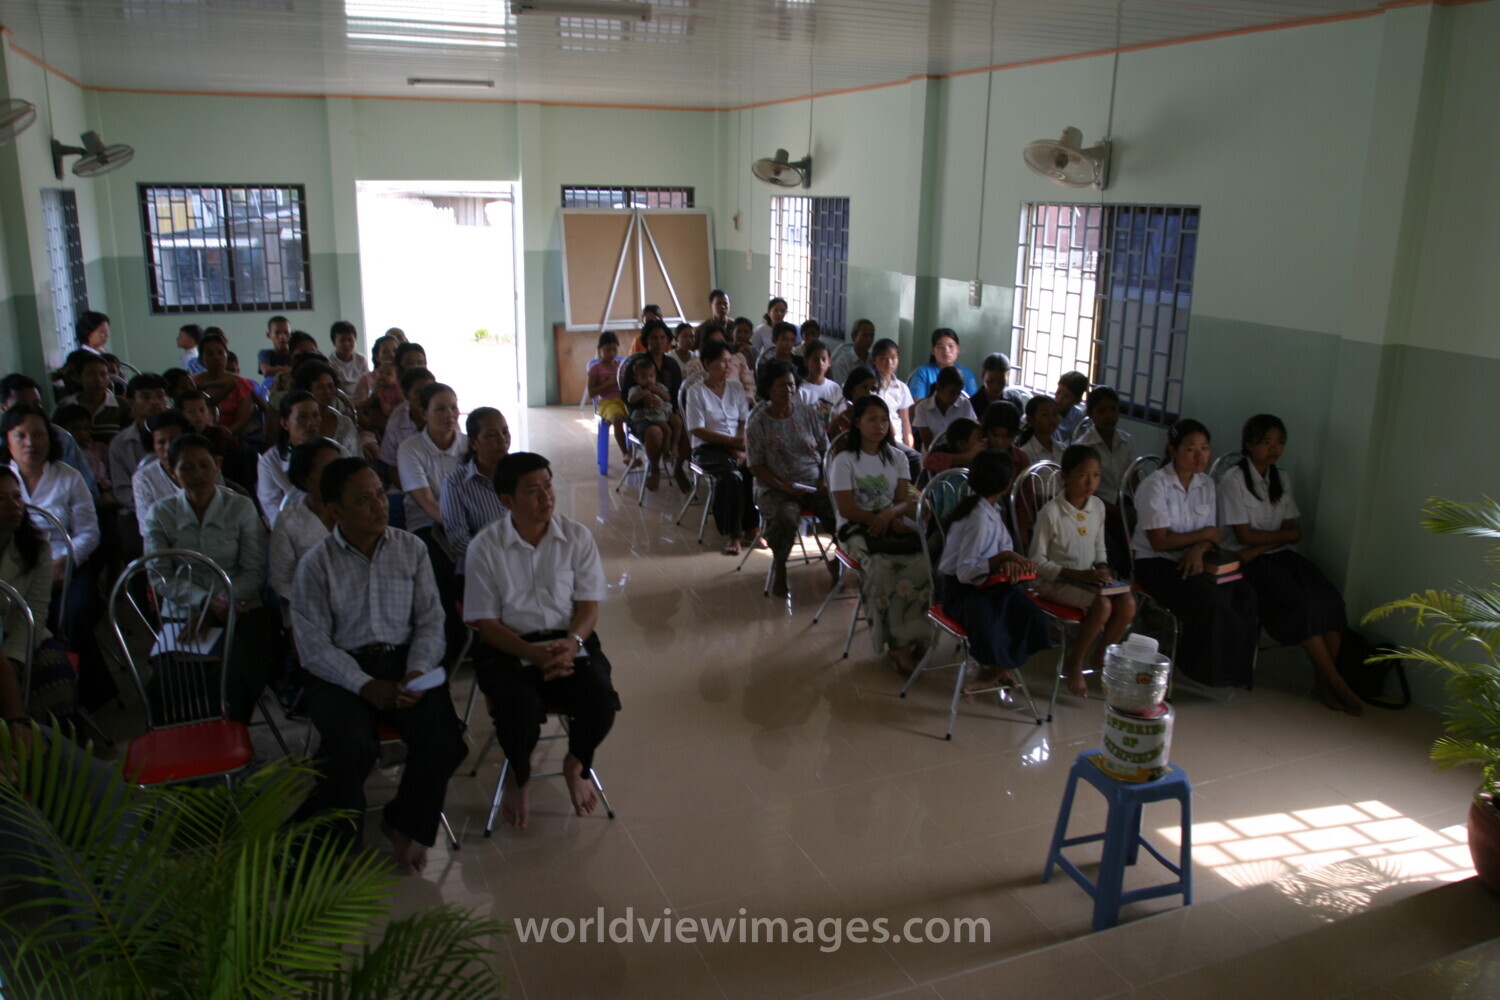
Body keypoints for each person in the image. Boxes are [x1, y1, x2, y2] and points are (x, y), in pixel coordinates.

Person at [291, 457, 466, 873]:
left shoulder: (411, 548)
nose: (380, 505)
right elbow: (313, 646)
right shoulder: (316, 565)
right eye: (364, 499)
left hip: (405, 664)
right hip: (342, 672)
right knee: (348, 749)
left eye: (379, 494)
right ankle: (340, 845)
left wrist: (418, 670)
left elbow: (430, 620)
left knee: (445, 740)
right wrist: (363, 684)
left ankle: (402, 821)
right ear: (335, 510)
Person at [464, 451, 618, 829]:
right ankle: (520, 776)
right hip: (510, 646)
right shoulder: (484, 547)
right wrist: (531, 654)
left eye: (548, 486)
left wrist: (572, 643)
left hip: (568, 642)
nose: (546, 497)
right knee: (517, 710)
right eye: (533, 491)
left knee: (602, 700)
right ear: (507, 501)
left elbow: (587, 608)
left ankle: (576, 763)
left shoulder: (576, 537)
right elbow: (486, 623)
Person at [1220, 414, 1357, 714]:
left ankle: (1325, 681)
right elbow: (1245, 535)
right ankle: (1336, 682)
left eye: (1279, 442)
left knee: (1329, 599)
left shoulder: (1282, 477)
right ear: (1248, 444)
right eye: (1266, 442)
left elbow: (1294, 532)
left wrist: (1263, 545)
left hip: (1269, 555)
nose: (1274, 449)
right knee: (1300, 603)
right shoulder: (1233, 480)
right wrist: (1276, 539)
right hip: (1245, 563)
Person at [143, 433, 271, 724]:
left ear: (217, 465)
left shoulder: (240, 507)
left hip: (240, 608)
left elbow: (253, 572)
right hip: (182, 614)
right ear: (172, 473)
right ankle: (184, 749)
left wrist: (220, 605)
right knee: (165, 681)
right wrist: (206, 603)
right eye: (186, 468)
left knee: (237, 673)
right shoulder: (160, 514)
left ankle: (230, 744)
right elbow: (159, 575)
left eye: (204, 465)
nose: (197, 474)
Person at [1131, 419, 1259, 688]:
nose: (1200, 455)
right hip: (1155, 563)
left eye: (1205, 448)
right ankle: (1200, 669)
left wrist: (1198, 549)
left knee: (1244, 594)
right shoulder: (1156, 485)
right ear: (1173, 451)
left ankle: (1234, 671)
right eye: (1191, 449)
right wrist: (1202, 538)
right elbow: (1159, 542)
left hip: (1192, 558)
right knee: (1209, 598)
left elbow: (1213, 535)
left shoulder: (1207, 485)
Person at [2, 405, 107, 708]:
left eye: (38, 434)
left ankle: (84, 695)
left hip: (68, 566)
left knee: (74, 613)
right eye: (20, 435)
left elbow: (89, 532)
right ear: (7, 441)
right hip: (17, 571)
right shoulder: (4, 480)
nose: (30, 443)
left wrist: (65, 561)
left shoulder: (68, 477)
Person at [936, 447, 1053, 694]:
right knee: (993, 628)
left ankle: (996, 673)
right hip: (963, 592)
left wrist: (1007, 562)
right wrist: (1005, 556)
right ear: (1006, 484)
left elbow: (1003, 548)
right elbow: (966, 572)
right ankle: (991, 674)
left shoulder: (992, 510)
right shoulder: (977, 517)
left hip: (992, 585)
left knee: (1034, 618)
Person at [828, 395, 930, 674]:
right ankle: (896, 646)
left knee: (923, 565)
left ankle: (918, 635)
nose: (879, 425)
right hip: (855, 527)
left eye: (884, 419)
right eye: (872, 419)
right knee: (883, 570)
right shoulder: (845, 460)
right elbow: (847, 508)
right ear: (857, 423)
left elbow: (903, 500)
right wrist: (880, 517)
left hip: (887, 521)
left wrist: (890, 515)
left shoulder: (897, 456)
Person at [1029, 445, 1137, 697]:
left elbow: (1099, 546)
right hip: (1054, 582)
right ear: (1065, 477)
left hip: (1088, 580)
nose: (1091, 483)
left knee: (1128, 603)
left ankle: (1100, 656)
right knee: (1103, 606)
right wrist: (1077, 575)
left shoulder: (1097, 506)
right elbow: (1036, 561)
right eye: (1083, 475)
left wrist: (1102, 567)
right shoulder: (1051, 512)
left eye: (1097, 475)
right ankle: (1075, 662)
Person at [747, 362, 837, 597]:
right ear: (768, 389)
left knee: (840, 510)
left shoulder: (807, 413)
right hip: (775, 487)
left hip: (814, 484)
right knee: (785, 518)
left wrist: (824, 480)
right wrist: (781, 486)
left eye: (791, 385)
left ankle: (838, 560)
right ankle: (780, 567)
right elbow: (755, 465)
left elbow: (826, 450)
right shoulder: (758, 421)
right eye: (781, 385)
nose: (788, 390)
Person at [0, 466, 73, 724]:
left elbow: (35, 611)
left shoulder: (36, 548)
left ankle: (53, 758)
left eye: (17, 496)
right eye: (1, 498)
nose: (12, 505)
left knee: (55, 683)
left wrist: (15, 660)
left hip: (26, 635)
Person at [683, 339, 758, 556]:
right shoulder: (696, 392)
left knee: (753, 468)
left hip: (736, 444)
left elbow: (744, 420)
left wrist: (741, 445)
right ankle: (733, 534)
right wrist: (730, 443)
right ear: (707, 364)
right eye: (722, 362)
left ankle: (752, 527)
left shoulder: (736, 388)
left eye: (729, 362)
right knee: (731, 476)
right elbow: (697, 429)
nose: (728, 366)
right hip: (707, 448)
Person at [619, 319, 689, 491]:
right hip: (643, 415)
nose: (658, 342)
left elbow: (677, 394)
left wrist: (673, 408)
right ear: (646, 340)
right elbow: (625, 395)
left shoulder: (671, 364)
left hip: (666, 411)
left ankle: (678, 468)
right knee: (655, 432)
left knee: (688, 431)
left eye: (662, 337)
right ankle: (655, 469)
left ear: (668, 340)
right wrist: (643, 399)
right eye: (653, 338)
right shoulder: (637, 364)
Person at [268, 438, 341, 606]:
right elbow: (282, 582)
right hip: (310, 608)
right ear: (303, 479)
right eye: (327, 471)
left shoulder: (356, 509)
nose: (336, 476)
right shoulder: (288, 521)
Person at [439, 407, 510, 576]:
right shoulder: (455, 483)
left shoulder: (521, 473)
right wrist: (498, 560)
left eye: (505, 432)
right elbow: (459, 540)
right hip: (481, 570)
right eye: (492, 435)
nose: (502, 440)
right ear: (473, 443)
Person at [0, 375, 97, 498]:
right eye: (22, 405)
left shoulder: (62, 438)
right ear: (3, 407)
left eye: (36, 404)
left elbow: (88, 490)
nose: (31, 410)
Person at [1075, 386, 1136, 576]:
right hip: (1094, 506)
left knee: (1143, 528)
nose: (1109, 415)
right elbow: (1083, 493)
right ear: (1090, 413)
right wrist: (1117, 511)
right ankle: (1124, 575)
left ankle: (1136, 577)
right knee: (1121, 538)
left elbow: (1134, 479)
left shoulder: (1127, 441)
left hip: (1123, 503)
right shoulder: (1084, 446)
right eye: (1101, 410)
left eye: (1113, 409)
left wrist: (1141, 506)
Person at [105, 372, 170, 516]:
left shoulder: (182, 435)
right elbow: (122, 490)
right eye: (146, 397)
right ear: (131, 402)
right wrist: (151, 507)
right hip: (138, 511)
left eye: (160, 396)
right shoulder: (120, 443)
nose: (154, 401)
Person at [625, 357, 681, 492]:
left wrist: (656, 390)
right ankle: (664, 456)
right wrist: (645, 393)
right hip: (649, 416)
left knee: (678, 422)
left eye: (651, 376)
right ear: (636, 378)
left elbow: (668, 397)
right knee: (666, 430)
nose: (648, 380)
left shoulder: (659, 386)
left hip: (664, 412)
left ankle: (674, 449)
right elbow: (631, 400)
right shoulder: (636, 389)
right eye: (644, 377)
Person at [130, 410, 193, 530]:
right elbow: (147, 527)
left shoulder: (206, 467)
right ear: (153, 445)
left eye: (174, 440)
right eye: (161, 442)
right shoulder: (143, 478)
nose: (169, 447)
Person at [193, 333, 260, 437]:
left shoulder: (241, 383)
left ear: (226, 355)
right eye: (210, 354)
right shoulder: (193, 383)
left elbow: (243, 418)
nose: (216, 357)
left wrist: (222, 435)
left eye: (220, 353)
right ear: (201, 359)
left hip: (232, 437)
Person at [53, 352, 126, 445]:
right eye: (91, 374)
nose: (98, 380)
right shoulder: (65, 405)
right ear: (78, 377)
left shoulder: (121, 404)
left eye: (103, 374)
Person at [292, 359, 360, 458]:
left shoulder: (345, 424)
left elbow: (356, 460)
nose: (327, 391)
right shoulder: (295, 422)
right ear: (307, 389)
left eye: (330, 386)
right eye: (320, 387)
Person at [378, 367, 436, 485]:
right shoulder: (396, 424)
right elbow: (392, 468)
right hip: (407, 486)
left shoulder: (444, 419)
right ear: (406, 394)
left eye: (430, 392)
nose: (425, 397)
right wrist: (417, 494)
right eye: (418, 393)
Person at [912, 366, 977, 450]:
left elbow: (972, 433)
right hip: (932, 457)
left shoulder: (965, 404)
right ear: (938, 388)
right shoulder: (923, 408)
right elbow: (929, 445)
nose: (956, 397)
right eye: (952, 393)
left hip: (961, 455)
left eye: (958, 393)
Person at [907, 329, 979, 400]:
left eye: (951, 346)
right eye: (941, 347)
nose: (946, 351)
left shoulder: (967, 374)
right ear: (933, 350)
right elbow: (915, 406)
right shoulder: (922, 373)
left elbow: (975, 404)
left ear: (958, 349)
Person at [588, 331, 628, 459]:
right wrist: (609, 384)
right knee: (617, 419)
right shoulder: (595, 369)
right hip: (607, 403)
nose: (611, 353)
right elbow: (591, 393)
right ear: (600, 350)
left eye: (614, 350)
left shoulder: (621, 366)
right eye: (607, 350)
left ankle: (637, 452)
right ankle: (626, 453)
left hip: (624, 401)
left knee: (639, 418)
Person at [920, 417, 985, 476]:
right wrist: (967, 456)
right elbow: (928, 462)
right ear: (961, 444)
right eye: (978, 438)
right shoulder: (943, 458)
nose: (983, 442)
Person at [797, 341, 843, 421]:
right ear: (806, 362)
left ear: (829, 362)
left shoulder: (835, 388)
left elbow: (840, 416)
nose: (820, 364)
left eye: (823, 359)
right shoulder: (801, 391)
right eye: (815, 360)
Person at [830, 365, 878, 440]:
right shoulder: (840, 422)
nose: (869, 393)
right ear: (851, 390)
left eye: (874, 389)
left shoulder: (881, 418)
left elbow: (890, 446)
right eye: (864, 387)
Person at [353, 334, 399, 405]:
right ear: (377, 357)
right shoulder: (366, 380)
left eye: (395, 350)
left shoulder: (403, 376)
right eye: (385, 352)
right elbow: (358, 407)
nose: (392, 355)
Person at [1018, 394, 1063, 464]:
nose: (1052, 419)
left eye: (1055, 414)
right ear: (1030, 420)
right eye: (1045, 414)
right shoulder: (1025, 453)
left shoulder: (1062, 449)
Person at [829, 318, 876, 385]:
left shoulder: (874, 360)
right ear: (854, 336)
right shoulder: (843, 362)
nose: (869, 339)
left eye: (872, 336)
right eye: (865, 335)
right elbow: (842, 388)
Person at [328, 320, 368, 397]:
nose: (346, 344)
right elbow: (338, 387)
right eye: (342, 340)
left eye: (350, 340)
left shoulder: (361, 359)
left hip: (361, 396)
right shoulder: (331, 362)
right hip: (342, 398)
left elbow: (367, 382)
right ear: (334, 342)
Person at [258, 315, 293, 390]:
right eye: (277, 333)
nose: (282, 336)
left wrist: (278, 369)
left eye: (286, 332)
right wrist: (294, 369)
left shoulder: (295, 353)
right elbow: (266, 371)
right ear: (269, 335)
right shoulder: (265, 353)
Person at [1054, 371, 1090, 442]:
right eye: (1058, 392)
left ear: (1077, 400)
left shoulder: (1078, 416)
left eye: (1066, 396)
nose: (1060, 398)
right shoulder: (1045, 410)